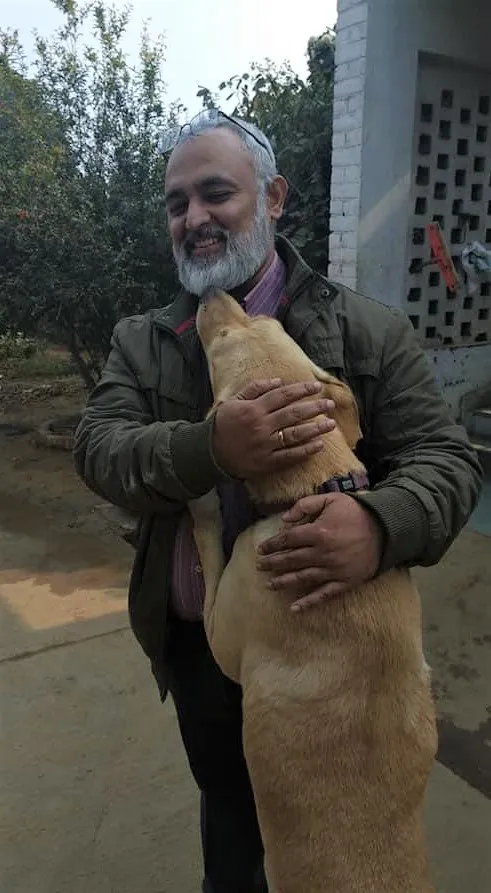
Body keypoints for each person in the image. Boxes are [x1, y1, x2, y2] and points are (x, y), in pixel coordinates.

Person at [74, 109, 482, 893]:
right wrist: (212, 449)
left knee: (343, 841)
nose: (193, 218)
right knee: (230, 828)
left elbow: (446, 460)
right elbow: (99, 451)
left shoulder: (368, 332)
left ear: (272, 198)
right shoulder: (144, 339)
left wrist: (378, 522)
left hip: (339, 664)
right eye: (176, 202)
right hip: (204, 656)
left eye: (215, 193)